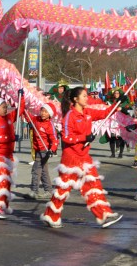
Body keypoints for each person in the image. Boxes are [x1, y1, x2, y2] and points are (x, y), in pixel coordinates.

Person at [41, 87, 123, 229]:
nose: (87, 98)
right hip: (71, 157)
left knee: (93, 185)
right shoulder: (69, 116)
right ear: (75, 99)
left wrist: (116, 104)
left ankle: (104, 215)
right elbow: (66, 137)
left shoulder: (88, 112)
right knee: (63, 189)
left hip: (84, 156)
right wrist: (84, 137)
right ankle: (51, 215)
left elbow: (104, 113)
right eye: (84, 96)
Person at [0, 91, 25, 219]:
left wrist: (21, 97)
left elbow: (20, 110)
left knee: (7, 182)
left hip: (8, 155)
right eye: (3, 107)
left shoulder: (7, 118)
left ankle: (4, 205)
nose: (5, 108)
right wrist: (12, 137)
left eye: (6, 106)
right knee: (0, 182)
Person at [25, 102, 59, 200]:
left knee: (36, 170)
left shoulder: (49, 125)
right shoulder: (36, 119)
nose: (43, 113)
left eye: (46, 112)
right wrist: (22, 106)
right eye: (42, 111)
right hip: (37, 149)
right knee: (44, 171)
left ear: (50, 114)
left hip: (44, 151)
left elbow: (54, 140)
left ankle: (34, 191)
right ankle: (48, 191)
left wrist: (52, 150)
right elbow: (28, 116)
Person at [106, 88, 130, 158]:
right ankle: (113, 153)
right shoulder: (110, 102)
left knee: (121, 137)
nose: (116, 94)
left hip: (121, 122)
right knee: (112, 138)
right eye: (115, 93)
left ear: (120, 94)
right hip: (112, 121)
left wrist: (122, 109)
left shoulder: (124, 102)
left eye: (117, 93)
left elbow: (128, 111)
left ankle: (120, 153)